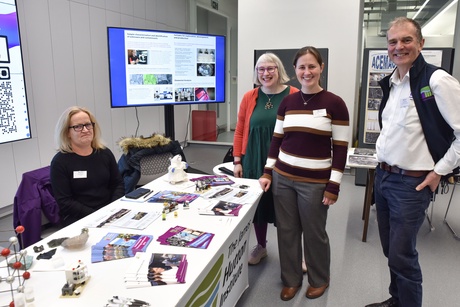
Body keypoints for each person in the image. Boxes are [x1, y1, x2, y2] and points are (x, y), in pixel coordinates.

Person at [366, 17, 460, 307]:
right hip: (383, 178)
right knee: (391, 250)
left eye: (406, 40)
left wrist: (439, 173)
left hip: (412, 184)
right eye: (393, 41)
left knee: (403, 256)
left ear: (421, 43)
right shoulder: (393, 83)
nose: (399, 47)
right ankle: (397, 299)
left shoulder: (436, 80)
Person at [259, 46, 349, 301]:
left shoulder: (335, 103)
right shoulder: (288, 101)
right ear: (295, 70)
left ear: (321, 68)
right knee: (286, 230)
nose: (306, 72)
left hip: (315, 182)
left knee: (314, 232)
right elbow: (276, 140)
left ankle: (320, 278)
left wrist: (334, 186)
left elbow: (341, 149)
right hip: (282, 178)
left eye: (312, 66)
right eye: (301, 67)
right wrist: (268, 172)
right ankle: (291, 279)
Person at [232, 52, 299, 266]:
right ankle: (261, 246)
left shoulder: (294, 94)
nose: (265, 73)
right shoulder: (249, 97)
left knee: (287, 208)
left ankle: (293, 253)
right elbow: (240, 130)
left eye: (270, 68)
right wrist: (237, 160)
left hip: (284, 159)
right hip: (253, 158)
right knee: (258, 207)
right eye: (261, 69)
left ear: (279, 70)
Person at [50, 106, 124, 226]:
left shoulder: (104, 153)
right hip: (80, 219)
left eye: (88, 125)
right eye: (78, 127)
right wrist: (97, 216)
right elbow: (65, 202)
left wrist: (113, 209)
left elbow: (117, 184)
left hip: (111, 213)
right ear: (67, 132)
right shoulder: (60, 162)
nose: (85, 130)